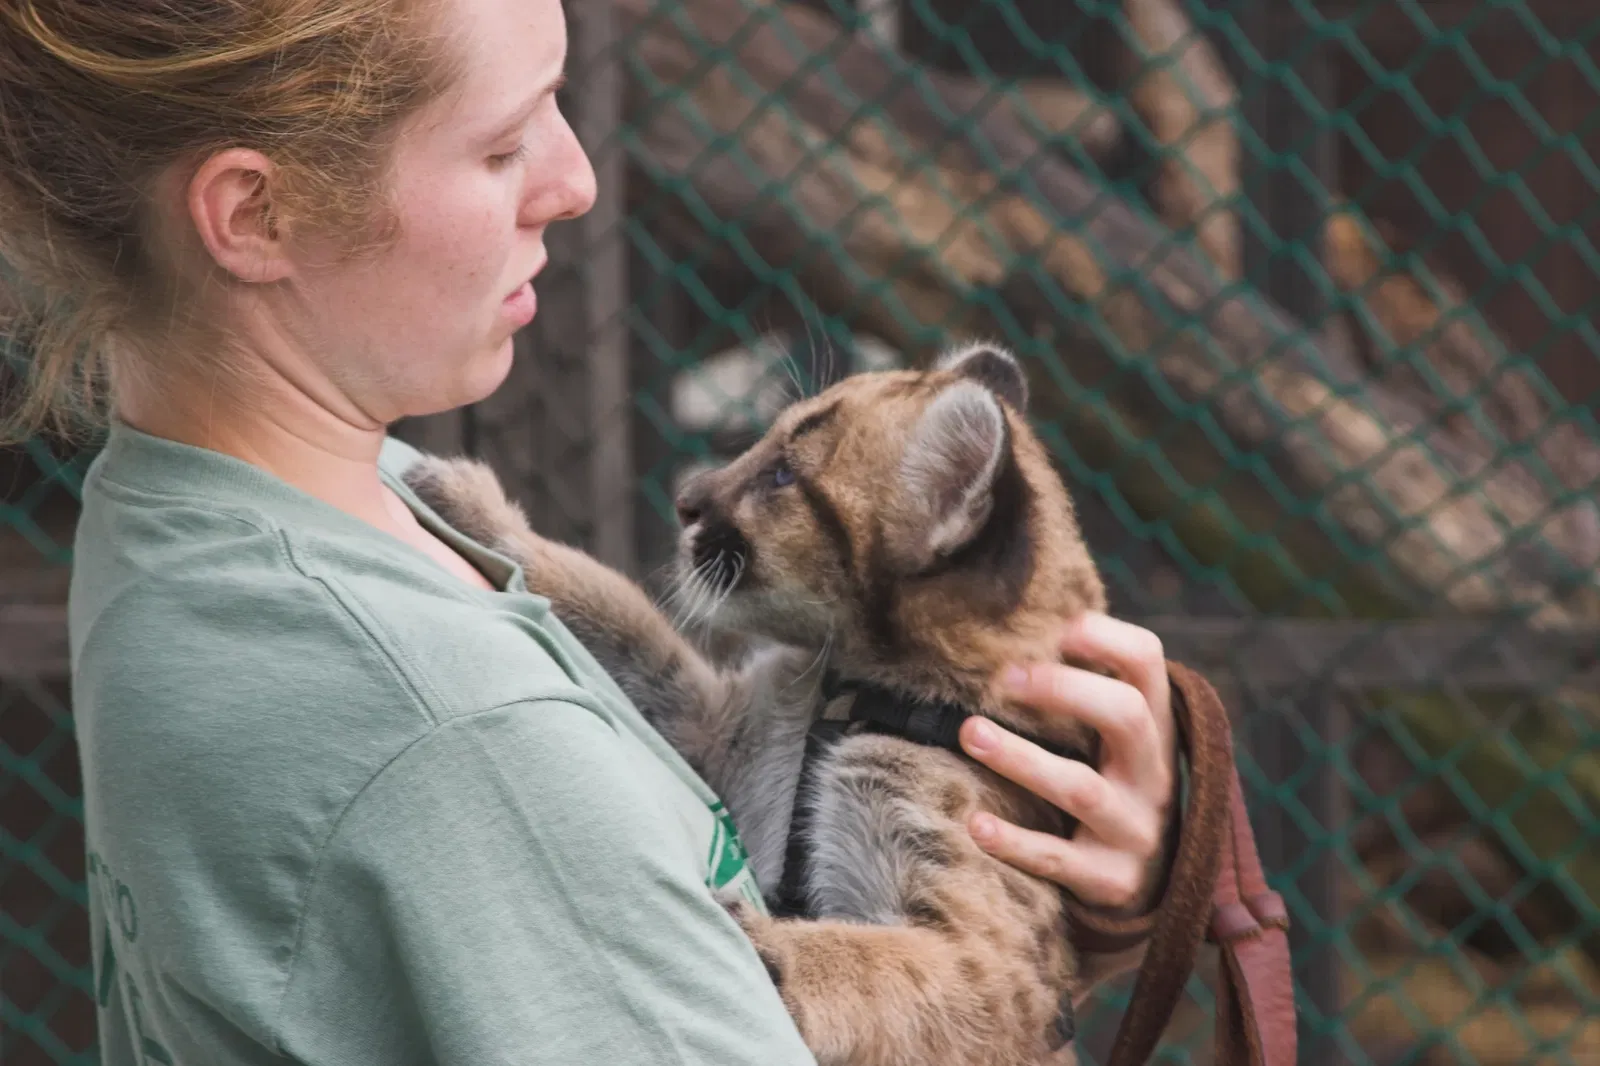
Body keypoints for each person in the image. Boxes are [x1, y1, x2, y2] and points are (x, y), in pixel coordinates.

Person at [0, 0, 1183, 1062]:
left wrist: (1064, 927)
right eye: (504, 143)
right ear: (256, 212)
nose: (576, 179)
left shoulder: (204, 509)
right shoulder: (457, 737)